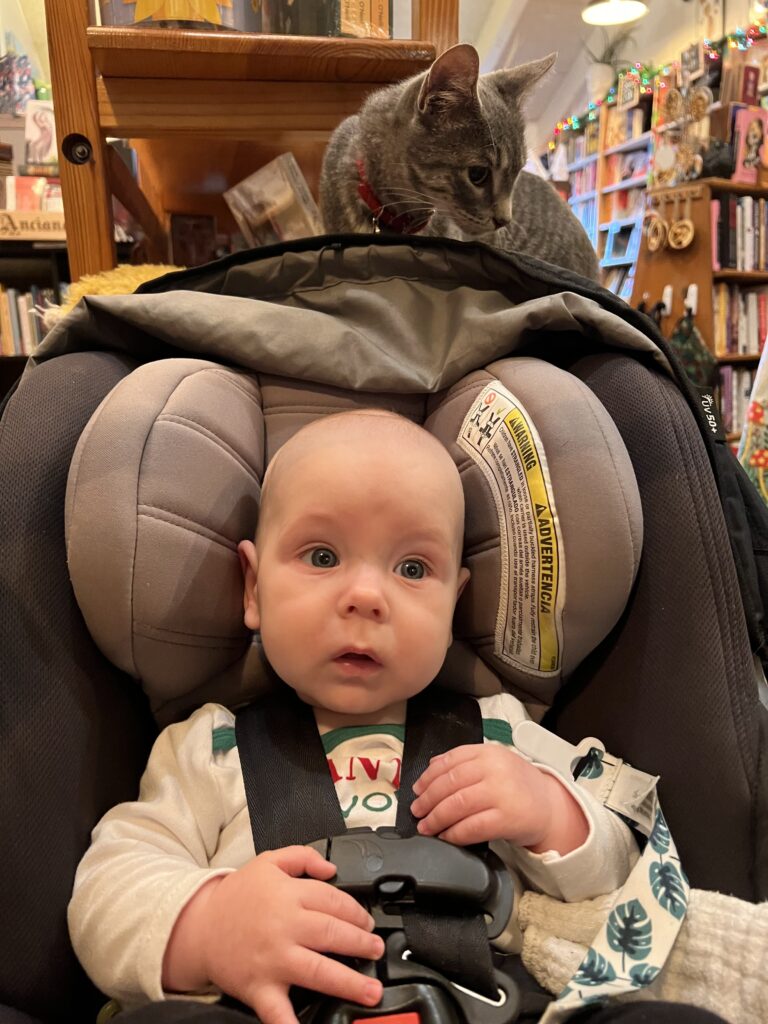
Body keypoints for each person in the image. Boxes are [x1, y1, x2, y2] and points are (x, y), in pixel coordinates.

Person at [68, 410, 724, 1024]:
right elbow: (109, 889)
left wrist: (552, 812)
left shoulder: (499, 729)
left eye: (413, 568)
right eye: (321, 556)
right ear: (253, 588)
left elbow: (618, 877)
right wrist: (209, 926)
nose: (365, 597)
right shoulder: (209, 748)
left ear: (454, 602)